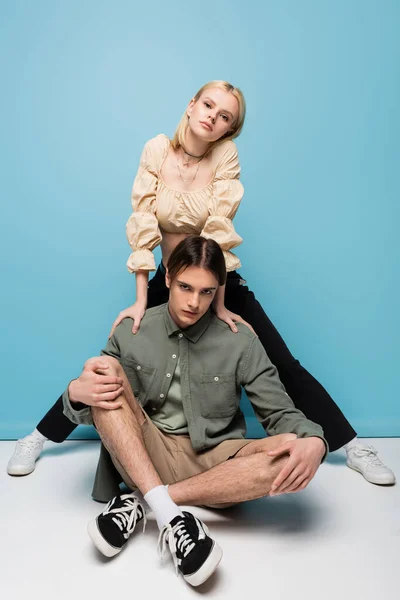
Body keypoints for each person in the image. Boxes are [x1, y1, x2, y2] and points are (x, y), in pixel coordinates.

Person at [7, 80, 394, 486]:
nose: (213, 116)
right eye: (208, 105)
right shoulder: (157, 149)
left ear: (229, 129)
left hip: (216, 279)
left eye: (225, 115)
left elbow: (219, 231)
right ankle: (37, 436)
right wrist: (141, 300)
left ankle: (351, 446)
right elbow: (142, 226)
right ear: (191, 105)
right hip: (170, 279)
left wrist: (221, 305)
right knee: (114, 360)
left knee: (282, 360)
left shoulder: (225, 156)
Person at [62, 236, 328, 586]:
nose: (193, 302)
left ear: (218, 290)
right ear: (169, 278)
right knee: (102, 369)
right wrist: (75, 394)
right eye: (186, 287)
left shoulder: (240, 341)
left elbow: (280, 414)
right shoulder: (132, 330)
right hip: (146, 450)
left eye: (206, 292)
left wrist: (315, 441)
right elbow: (100, 411)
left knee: (291, 446)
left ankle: (149, 503)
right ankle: (171, 513)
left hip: (216, 461)